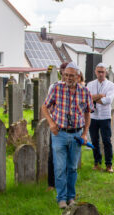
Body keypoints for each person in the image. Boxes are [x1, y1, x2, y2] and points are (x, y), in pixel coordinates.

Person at [42, 62, 93, 209]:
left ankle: (71, 197)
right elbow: (44, 106)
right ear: (63, 75)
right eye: (66, 75)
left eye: (71, 75)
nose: (68, 78)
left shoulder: (84, 91)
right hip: (60, 134)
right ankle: (61, 199)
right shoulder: (56, 88)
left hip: (76, 134)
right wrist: (51, 123)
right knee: (59, 168)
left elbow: (87, 113)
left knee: (72, 168)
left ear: (78, 76)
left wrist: (84, 133)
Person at [86, 63, 114, 173]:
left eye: (102, 72)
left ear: (106, 72)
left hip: (105, 116)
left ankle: (109, 164)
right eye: (99, 72)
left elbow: (108, 100)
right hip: (93, 116)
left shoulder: (111, 85)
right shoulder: (90, 84)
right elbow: (87, 98)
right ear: (95, 72)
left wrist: (94, 98)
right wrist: (100, 96)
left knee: (106, 140)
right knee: (94, 140)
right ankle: (96, 162)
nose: (100, 74)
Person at [46, 62, 69, 192]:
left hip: (70, 127)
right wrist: (52, 122)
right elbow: (47, 105)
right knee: (53, 154)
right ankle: (51, 183)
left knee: (67, 155)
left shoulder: (75, 88)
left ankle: (64, 182)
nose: (67, 75)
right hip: (56, 125)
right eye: (64, 71)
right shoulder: (54, 87)